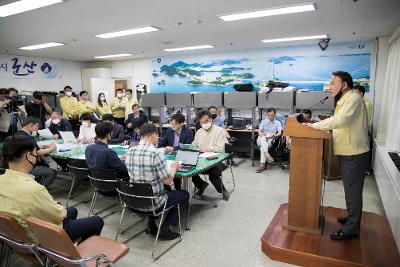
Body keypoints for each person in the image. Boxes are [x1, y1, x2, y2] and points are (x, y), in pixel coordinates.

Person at [0, 135, 104, 242]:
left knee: (72, 210)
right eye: (35, 152)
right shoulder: (35, 189)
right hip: (42, 238)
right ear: (28, 156)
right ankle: (73, 255)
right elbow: (58, 215)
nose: (36, 156)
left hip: (17, 234)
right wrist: (58, 207)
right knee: (97, 221)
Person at [310, 71, 369, 240]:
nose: (330, 86)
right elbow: (338, 120)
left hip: (354, 153)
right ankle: (352, 218)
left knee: (353, 192)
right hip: (348, 151)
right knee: (350, 190)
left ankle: (352, 228)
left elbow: (341, 120)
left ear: (345, 85)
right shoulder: (345, 99)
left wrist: (315, 126)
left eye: (333, 83)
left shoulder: (354, 99)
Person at [126, 123, 189, 240]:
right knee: (183, 195)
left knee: (155, 188)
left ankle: (151, 225)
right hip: (153, 203)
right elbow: (168, 180)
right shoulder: (156, 153)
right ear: (154, 134)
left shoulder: (130, 151)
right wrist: (174, 168)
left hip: (133, 200)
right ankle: (165, 229)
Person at [191, 110, 230, 200]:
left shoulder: (220, 131)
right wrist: (191, 147)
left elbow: (219, 149)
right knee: (189, 169)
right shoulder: (199, 132)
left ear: (211, 119)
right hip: (201, 159)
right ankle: (202, 185)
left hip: (216, 159)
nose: (204, 124)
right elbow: (194, 144)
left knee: (213, 171)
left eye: (206, 121)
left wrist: (205, 149)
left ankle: (222, 190)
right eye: (201, 122)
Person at [15, 117, 57, 188]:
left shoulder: (18, 134)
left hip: (16, 164)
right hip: (26, 166)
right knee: (52, 172)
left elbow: (32, 147)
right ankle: (40, 190)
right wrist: (51, 148)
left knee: (45, 165)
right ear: (31, 125)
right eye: (37, 126)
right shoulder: (28, 138)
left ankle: (35, 185)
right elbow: (38, 152)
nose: (37, 129)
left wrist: (45, 146)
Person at [158, 113, 194, 190]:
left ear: (181, 123)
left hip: (183, 157)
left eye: (175, 124)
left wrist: (174, 148)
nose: (173, 126)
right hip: (170, 156)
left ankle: (179, 190)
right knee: (164, 168)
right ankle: (168, 189)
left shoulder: (188, 132)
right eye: (172, 123)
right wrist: (164, 148)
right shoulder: (169, 131)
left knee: (176, 169)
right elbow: (162, 143)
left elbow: (187, 147)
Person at [256, 108, 283, 173]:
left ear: (275, 115)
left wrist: (273, 136)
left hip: (270, 140)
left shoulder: (277, 123)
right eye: (269, 115)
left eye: (272, 115)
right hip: (261, 139)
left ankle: (262, 165)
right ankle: (267, 155)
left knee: (262, 147)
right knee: (263, 139)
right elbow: (259, 131)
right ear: (267, 115)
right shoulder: (263, 121)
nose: (270, 117)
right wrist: (263, 136)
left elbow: (280, 133)